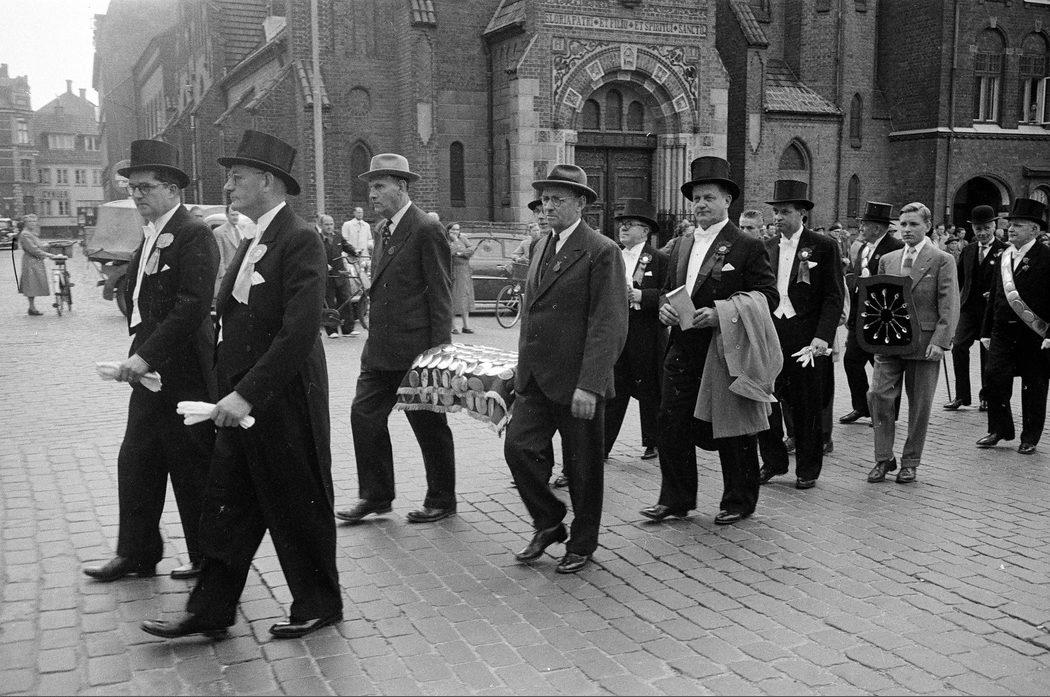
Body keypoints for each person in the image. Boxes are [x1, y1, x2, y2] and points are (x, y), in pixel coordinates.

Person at [141, 130, 341, 640]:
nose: (227, 186)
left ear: (268, 181)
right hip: (242, 399)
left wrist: (247, 392)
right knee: (225, 505)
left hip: (284, 398)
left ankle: (319, 603)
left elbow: (299, 332)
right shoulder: (255, 237)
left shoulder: (300, 238)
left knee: (297, 502)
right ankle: (210, 609)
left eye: (236, 177)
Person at [83, 140, 218, 584]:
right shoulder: (151, 232)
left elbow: (192, 305)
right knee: (136, 459)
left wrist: (145, 356)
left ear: (173, 189)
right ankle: (137, 552)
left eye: (145, 187)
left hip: (184, 370)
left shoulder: (193, 233)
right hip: (152, 369)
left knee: (191, 464)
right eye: (132, 187)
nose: (136, 195)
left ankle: (206, 556)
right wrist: (140, 356)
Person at [641, 156, 778, 526]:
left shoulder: (747, 245)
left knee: (733, 426)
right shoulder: (681, 244)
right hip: (682, 348)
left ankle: (739, 500)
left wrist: (722, 313)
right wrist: (664, 309)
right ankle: (676, 499)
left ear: (727, 200)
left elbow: (768, 296)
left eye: (709, 197)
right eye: (696, 198)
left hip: (724, 350)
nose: (701, 204)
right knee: (671, 423)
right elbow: (669, 290)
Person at [504, 164, 627, 574]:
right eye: (544, 199)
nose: (547, 207)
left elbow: (608, 323)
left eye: (558, 199)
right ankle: (549, 522)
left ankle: (583, 543)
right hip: (536, 378)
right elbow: (533, 311)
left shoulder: (601, 250)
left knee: (582, 468)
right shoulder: (541, 245)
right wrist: (519, 368)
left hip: (578, 382)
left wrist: (591, 385)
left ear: (581, 204)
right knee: (518, 448)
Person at [336, 154, 457, 525]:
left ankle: (442, 499)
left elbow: (441, 293)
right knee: (364, 416)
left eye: (379, 186)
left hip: (416, 352)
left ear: (402, 186)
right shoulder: (381, 229)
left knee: (428, 425)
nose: (371, 194)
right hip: (380, 350)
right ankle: (375, 495)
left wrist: (439, 354)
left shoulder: (426, 228)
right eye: (370, 187)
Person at [757, 181, 844, 490]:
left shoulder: (823, 246)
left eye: (785, 212)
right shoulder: (767, 247)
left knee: (807, 404)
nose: (778, 218)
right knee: (766, 399)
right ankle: (773, 460)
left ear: (802, 213)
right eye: (776, 212)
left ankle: (807, 468)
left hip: (806, 335)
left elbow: (833, 296)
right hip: (773, 332)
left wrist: (823, 336)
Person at [866, 202, 959, 484]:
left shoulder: (941, 259)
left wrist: (941, 342)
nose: (906, 230)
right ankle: (883, 457)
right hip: (889, 341)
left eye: (913, 224)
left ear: (927, 226)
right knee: (878, 395)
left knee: (919, 406)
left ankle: (910, 462)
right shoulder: (889, 259)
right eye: (903, 224)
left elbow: (949, 304)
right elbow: (879, 299)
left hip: (924, 344)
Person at [978, 198, 1050, 455]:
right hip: (1002, 331)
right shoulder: (1004, 255)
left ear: (1035, 229)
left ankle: (1030, 437)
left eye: (1018, 225)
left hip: (1034, 333)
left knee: (1034, 385)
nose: (1011, 229)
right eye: (1011, 224)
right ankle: (999, 429)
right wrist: (985, 331)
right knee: (994, 378)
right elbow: (995, 295)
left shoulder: (1046, 257)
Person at [604, 198, 669, 462]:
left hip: (647, 335)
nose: (623, 228)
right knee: (614, 389)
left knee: (650, 389)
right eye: (622, 224)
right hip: (618, 334)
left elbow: (669, 293)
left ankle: (653, 442)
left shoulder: (659, 259)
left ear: (645, 230)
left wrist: (644, 296)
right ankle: (603, 445)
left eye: (629, 224)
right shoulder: (613, 255)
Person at [840, 201, 904, 424]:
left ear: (877, 228)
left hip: (883, 317)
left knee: (886, 366)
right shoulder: (864, 247)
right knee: (851, 360)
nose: (861, 228)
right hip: (861, 316)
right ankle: (862, 406)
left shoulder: (895, 247)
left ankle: (889, 411)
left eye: (864, 224)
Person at [945, 205, 1008, 411]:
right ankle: (962, 396)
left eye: (986, 228)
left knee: (987, 352)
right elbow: (958, 280)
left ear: (994, 226)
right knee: (959, 346)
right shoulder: (969, 250)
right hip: (969, 309)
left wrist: (997, 294)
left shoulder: (1005, 250)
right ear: (972, 228)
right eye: (978, 228)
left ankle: (987, 396)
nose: (982, 233)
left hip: (992, 311)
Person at [318, 214, 359, 338]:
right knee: (329, 302)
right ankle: (332, 330)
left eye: (331, 224)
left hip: (340, 273)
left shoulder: (337, 236)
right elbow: (314, 254)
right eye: (326, 224)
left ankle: (348, 329)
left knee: (345, 299)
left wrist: (355, 251)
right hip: (327, 275)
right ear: (321, 225)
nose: (329, 227)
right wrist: (323, 264)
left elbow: (346, 246)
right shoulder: (317, 238)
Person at [17, 214, 57, 315]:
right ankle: (32, 308)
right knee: (31, 284)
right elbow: (33, 249)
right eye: (30, 221)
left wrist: (47, 245)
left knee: (34, 283)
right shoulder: (25, 234)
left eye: (34, 221)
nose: (33, 223)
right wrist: (48, 254)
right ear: (25, 223)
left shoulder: (32, 233)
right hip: (30, 261)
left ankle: (32, 307)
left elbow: (38, 245)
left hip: (36, 261)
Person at [211, 204, 250, 301]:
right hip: (227, 275)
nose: (235, 217)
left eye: (237, 215)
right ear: (227, 215)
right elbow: (220, 256)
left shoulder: (243, 229)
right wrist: (223, 276)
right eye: (232, 215)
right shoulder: (219, 232)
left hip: (241, 275)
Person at [448, 222, 475, 334]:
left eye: (457, 229)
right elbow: (451, 252)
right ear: (448, 230)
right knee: (454, 298)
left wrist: (460, 253)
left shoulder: (463, 239)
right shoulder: (447, 240)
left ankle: (466, 326)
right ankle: (452, 326)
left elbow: (471, 250)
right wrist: (456, 243)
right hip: (453, 271)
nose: (455, 232)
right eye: (453, 229)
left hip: (465, 272)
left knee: (465, 298)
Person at [341, 206, 373, 272]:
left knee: (364, 274)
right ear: (354, 213)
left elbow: (369, 239)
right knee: (353, 273)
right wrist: (353, 250)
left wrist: (370, 245)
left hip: (364, 256)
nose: (360, 214)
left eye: (361, 212)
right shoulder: (347, 224)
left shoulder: (366, 225)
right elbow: (344, 240)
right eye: (358, 212)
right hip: (351, 255)